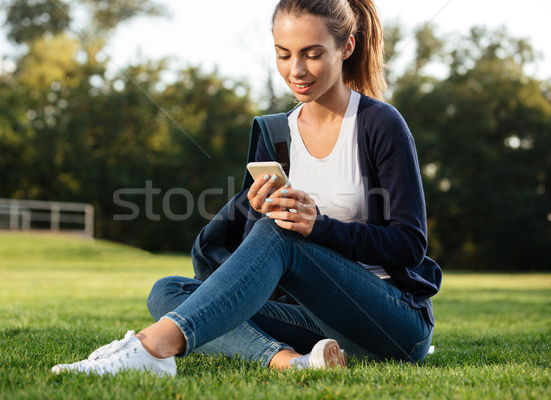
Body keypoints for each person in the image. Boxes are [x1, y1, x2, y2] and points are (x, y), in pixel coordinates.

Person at [52, 0, 442, 376]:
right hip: (317, 323)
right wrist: (257, 212)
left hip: (393, 323)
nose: (296, 70)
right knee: (167, 292)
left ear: (346, 47)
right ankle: (291, 362)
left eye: (312, 53)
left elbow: (410, 244)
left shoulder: (379, 124)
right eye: (283, 54)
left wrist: (318, 227)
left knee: (281, 234)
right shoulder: (275, 133)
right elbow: (260, 264)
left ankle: (151, 348)